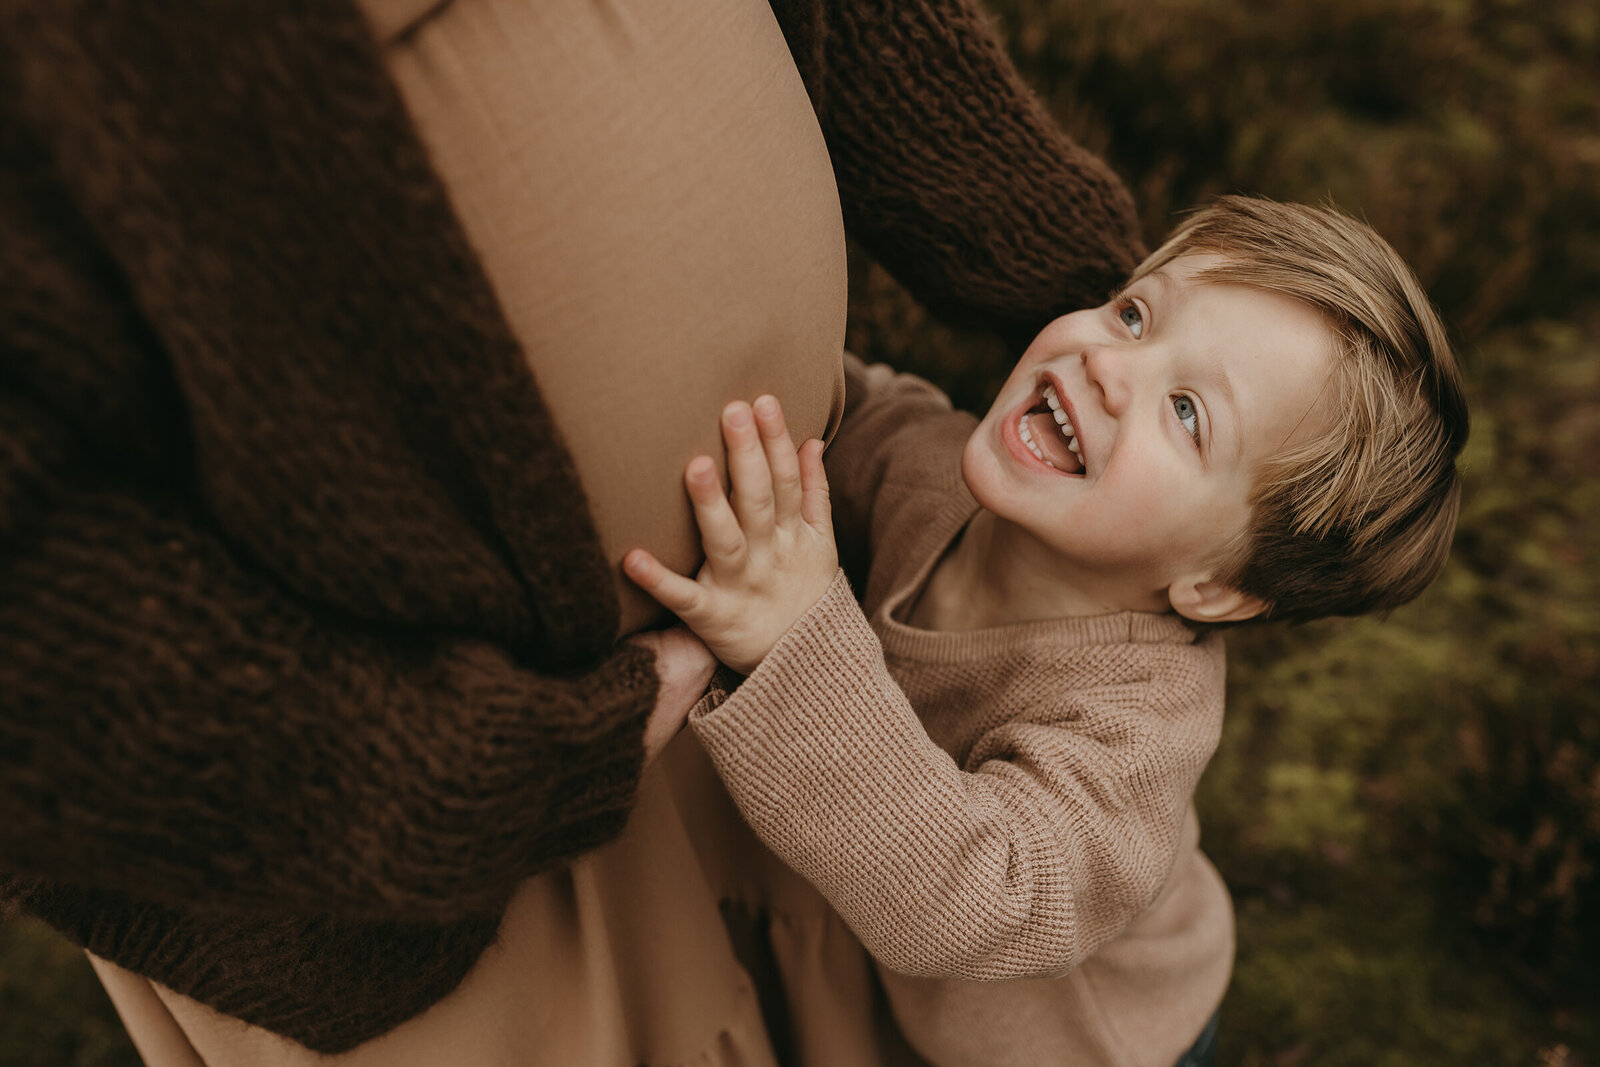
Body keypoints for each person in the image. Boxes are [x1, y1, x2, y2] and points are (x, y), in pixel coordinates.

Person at [0, 0, 1150, 1062]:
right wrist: (433, 781)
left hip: (733, 694)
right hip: (388, 808)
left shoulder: (1112, 664)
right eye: (1136, 329)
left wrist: (1089, 290)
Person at [626, 196, 1469, 1067]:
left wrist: (794, 639)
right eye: (1136, 314)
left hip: (1097, 1044)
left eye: (1187, 413)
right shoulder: (925, 470)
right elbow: (844, 401)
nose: (1112, 367)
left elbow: (980, 901)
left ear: (1216, 586)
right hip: (906, 1002)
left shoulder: (1141, 729)